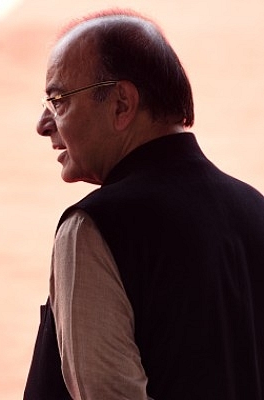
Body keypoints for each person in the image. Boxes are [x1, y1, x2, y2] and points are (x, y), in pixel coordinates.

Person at [24, 9, 264, 400]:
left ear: (122, 104)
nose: (44, 123)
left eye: (58, 100)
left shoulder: (95, 226)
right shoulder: (255, 209)